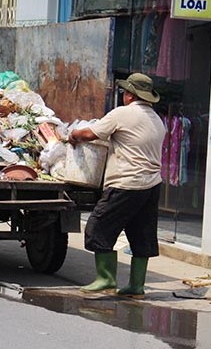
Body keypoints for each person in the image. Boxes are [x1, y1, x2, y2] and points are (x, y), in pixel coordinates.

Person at [68, 73, 165, 299]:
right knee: (142, 234)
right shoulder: (156, 119)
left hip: (126, 183)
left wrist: (73, 134)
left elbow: (91, 134)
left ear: (130, 94)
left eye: (124, 92)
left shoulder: (123, 114)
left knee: (98, 227)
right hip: (151, 185)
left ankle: (106, 279)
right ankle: (136, 286)